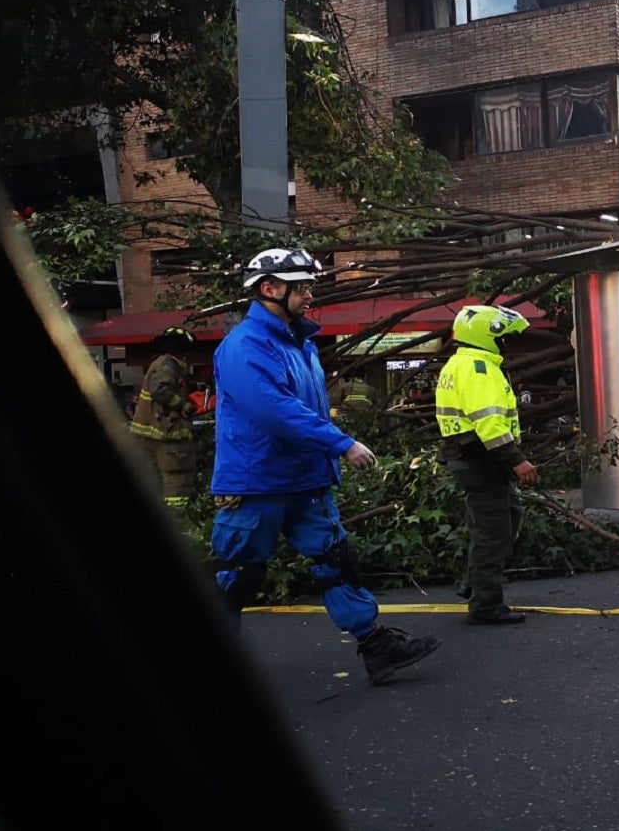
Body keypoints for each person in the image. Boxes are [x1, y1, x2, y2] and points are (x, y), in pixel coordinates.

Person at [211, 248, 440, 684]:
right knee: (238, 575)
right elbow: (275, 410)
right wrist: (342, 443)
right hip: (258, 482)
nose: (310, 294)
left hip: (305, 479)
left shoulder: (300, 342)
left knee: (336, 560)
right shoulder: (244, 346)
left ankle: (376, 646)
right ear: (269, 289)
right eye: (302, 287)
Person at [435, 304, 538, 625]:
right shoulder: (480, 368)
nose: (507, 344)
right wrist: (518, 461)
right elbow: (490, 425)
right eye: (504, 338)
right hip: (482, 459)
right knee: (493, 532)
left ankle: (476, 583)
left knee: (503, 519)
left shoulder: (459, 364)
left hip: (470, 457)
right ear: (486, 336)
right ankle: (485, 604)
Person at [128, 325, 198, 511]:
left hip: (148, 431)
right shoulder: (169, 364)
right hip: (166, 432)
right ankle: (179, 520)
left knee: (151, 479)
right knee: (178, 476)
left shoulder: (159, 363)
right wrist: (183, 405)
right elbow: (160, 389)